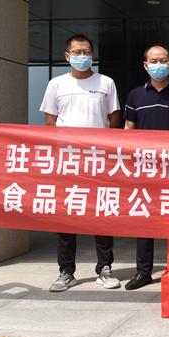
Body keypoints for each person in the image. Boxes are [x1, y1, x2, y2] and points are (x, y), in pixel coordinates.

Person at [40, 34, 121, 292]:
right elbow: (50, 122)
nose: (82, 56)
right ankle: (66, 272)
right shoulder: (56, 84)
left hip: (99, 160)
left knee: (102, 213)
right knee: (66, 215)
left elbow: (114, 118)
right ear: (67, 56)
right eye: (76, 52)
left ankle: (104, 268)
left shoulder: (106, 82)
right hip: (68, 161)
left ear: (93, 56)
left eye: (86, 52)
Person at [123, 45, 169, 290]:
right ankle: (144, 272)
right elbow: (128, 131)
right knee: (145, 220)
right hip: (145, 168)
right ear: (145, 65)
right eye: (153, 61)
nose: (159, 65)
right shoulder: (135, 95)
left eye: (163, 60)